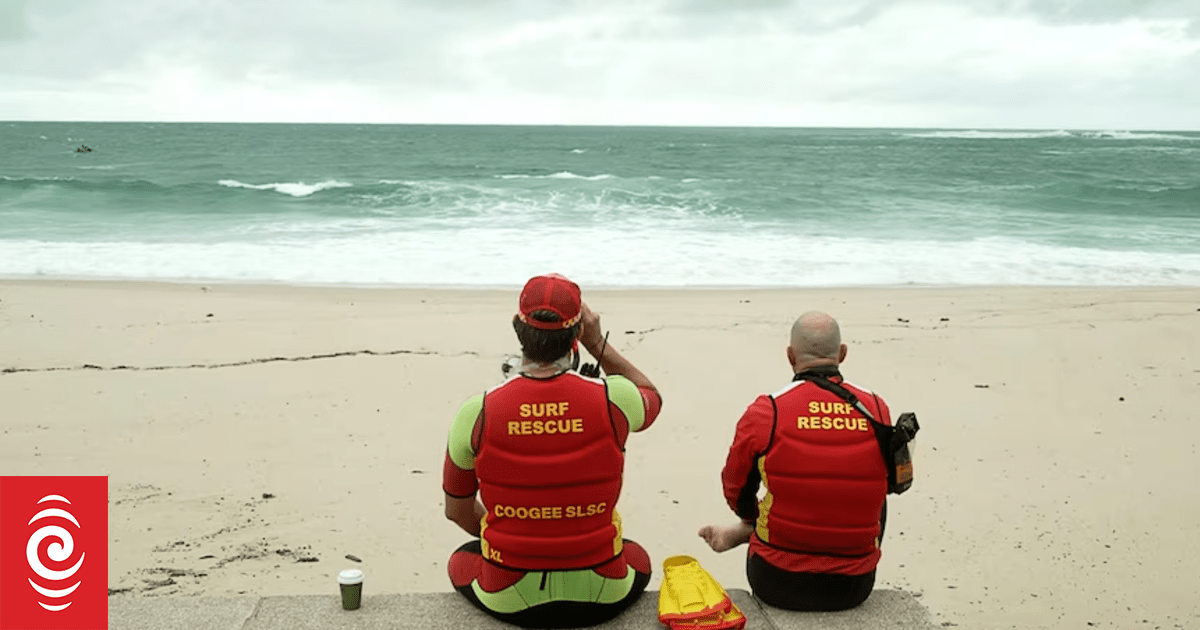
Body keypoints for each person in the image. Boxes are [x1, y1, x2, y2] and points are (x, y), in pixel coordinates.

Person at [443, 273, 663, 628]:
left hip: (510, 594)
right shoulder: (614, 399)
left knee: (461, 560)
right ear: (576, 334)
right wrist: (597, 344)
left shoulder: (477, 411)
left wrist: (516, 535)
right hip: (601, 591)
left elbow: (457, 511)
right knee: (637, 556)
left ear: (517, 327)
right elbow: (651, 395)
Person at [698, 311, 909, 611]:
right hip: (855, 586)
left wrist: (749, 518)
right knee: (872, 485)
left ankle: (750, 531)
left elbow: (734, 486)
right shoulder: (876, 407)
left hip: (776, 581)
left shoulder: (766, 410)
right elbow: (892, 483)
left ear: (790, 356)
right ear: (842, 354)